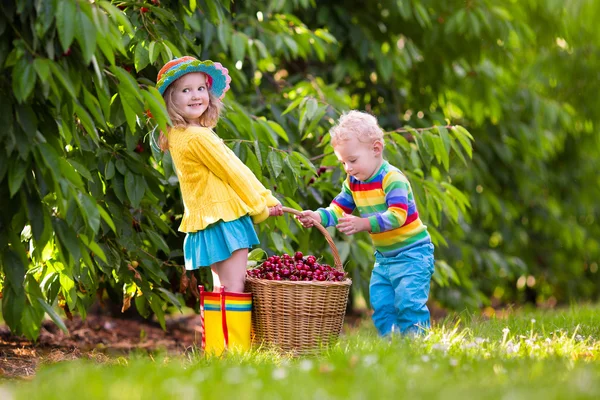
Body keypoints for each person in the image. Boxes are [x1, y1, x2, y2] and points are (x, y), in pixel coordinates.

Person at [297, 110, 435, 336]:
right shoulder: (353, 181)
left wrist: (363, 224)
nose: (348, 168)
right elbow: (338, 209)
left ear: (376, 149)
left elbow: (397, 215)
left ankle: (417, 347)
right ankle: (392, 348)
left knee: (409, 304)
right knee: (382, 306)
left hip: (413, 254)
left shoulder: (393, 179)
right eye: (343, 162)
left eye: (352, 160)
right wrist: (317, 216)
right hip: (385, 258)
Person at [156, 56, 283, 294]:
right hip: (225, 218)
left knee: (221, 288)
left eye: (201, 88)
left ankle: (217, 333)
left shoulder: (178, 135)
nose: (196, 95)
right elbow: (234, 173)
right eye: (186, 90)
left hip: (207, 219)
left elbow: (233, 170)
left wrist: (265, 198)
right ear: (170, 100)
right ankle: (234, 334)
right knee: (235, 286)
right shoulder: (198, 136)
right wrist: (261, 205)